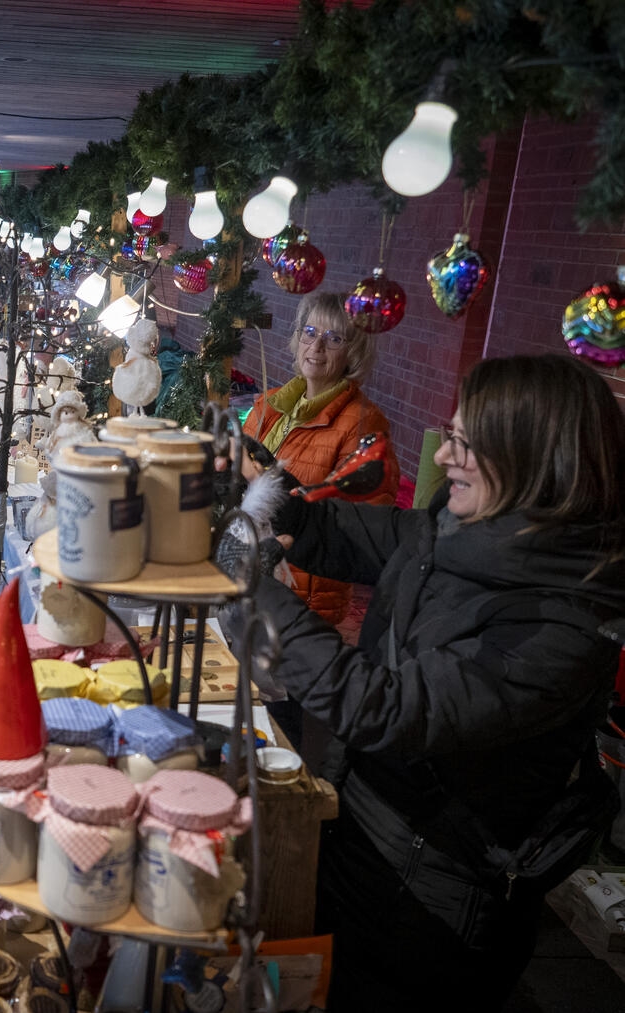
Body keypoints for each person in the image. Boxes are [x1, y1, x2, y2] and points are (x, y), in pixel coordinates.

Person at [233, 353, 625, 1011]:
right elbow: (329, 528)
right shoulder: (456, 531)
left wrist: (250, 597)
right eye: (452, 435)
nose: (443, 457)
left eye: (466, 445)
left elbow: (384, 710)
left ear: (536, 462)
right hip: (359, 838)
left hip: (432, 909)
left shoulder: (563, 623)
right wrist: (259, 484)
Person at [241, 290, 398, 628]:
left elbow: (354, 528)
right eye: (309, 333)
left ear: (353, 352)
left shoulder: (363, 423)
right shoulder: (270, 405)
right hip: (247, 576)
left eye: (334, 338)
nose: (317, 346)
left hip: (299, 600)